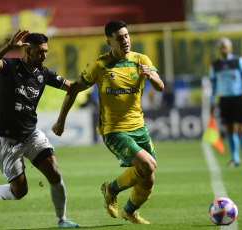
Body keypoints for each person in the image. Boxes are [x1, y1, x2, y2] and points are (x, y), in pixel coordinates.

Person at [52, 21, 164, 224]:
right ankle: (111, 190)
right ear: (109, 42)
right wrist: (61, 121)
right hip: (114, 130)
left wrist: (150, 76)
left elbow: (160, 87)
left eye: (127, 36)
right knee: (148, 165)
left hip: (139, 127)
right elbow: (73, 91)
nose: (125, 41)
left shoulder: (140, 60)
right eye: (119, 38)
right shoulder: (99, 66)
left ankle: (129, 212)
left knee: (148, 177)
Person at [0, 30, 81, 228]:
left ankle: (61, 220)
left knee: (55, 173)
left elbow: (72, 87)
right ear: (28, 50)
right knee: (19, 192)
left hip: (31, 134)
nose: (44, 56)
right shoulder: (11, 66)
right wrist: (8, 46)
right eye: (40, 52)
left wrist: (92, 77)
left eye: (46, 51)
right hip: (8, 140)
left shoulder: (44, 73)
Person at [209, 37, 242, 168]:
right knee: (229, 128)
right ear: (218, 50)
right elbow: (213, 84)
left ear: (230, 48)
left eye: (226, 47)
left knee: (241, 127)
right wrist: (212, 100)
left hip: (238, 98)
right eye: (221, 48)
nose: (223, 50)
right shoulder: (215, 65)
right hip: (224, 99)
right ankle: (235, 159)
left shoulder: (238, 61)